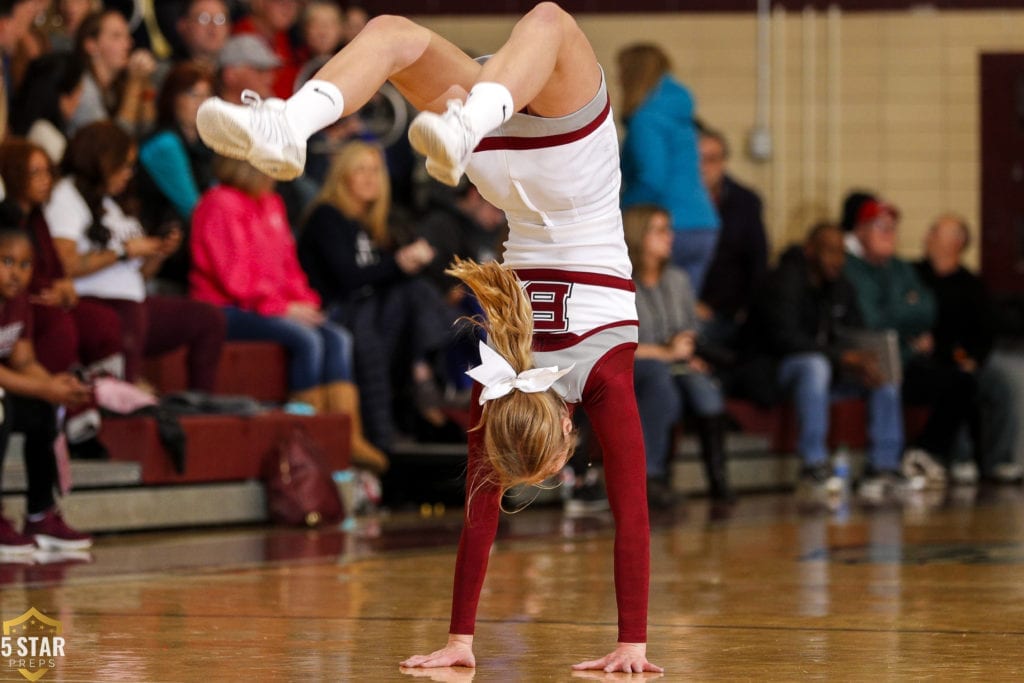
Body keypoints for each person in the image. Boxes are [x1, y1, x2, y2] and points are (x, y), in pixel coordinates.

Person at [196, 3, 660, 673]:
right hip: (494, 167)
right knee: (390, 34)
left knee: (549, 21)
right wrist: (459, 637)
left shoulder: (600, 378)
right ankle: (300, 120)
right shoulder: (499, 376)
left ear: (566, 434)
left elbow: (632, 515)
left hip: (550, 163)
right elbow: (478, 514)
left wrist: (632, 644)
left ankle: (292, 125)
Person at [190, 154, 388, 473]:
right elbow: (233, 277)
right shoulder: (218, 203)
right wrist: (282, 308)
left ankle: (347, 436)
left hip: (272, 305)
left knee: (337, 337)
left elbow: (288, 266)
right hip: (224, 307)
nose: (279, 174)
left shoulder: (272, 203)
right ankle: (307, 438)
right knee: (306, 340)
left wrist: (305, 302)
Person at [43, 120, 226, 393]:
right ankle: (123, 399)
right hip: (90, 302)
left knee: (208, 318)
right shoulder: (65, 196)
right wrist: (123, 251)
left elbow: (138, 276)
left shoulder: (111, 203)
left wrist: (157, 253)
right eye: (125, 165)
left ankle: (199, 403)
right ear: (103, 159)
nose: (129, 173)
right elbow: (64, 263)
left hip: (131, 300)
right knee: (126, 318)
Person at [743, 223, 910, 507]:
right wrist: (841, 357)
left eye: (841, 253)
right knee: (814, 365)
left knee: (881, 373)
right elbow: (784, 339)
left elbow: (856, 332)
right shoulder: (784, 280)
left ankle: (883, 467)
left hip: (828, 373)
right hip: (775, 371)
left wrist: (865, 358)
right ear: (810, 251)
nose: (837, 260)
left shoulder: (841, 286)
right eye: (829, 252)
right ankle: (813, 464)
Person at [842, 197, 958, 487]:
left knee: (960, 380)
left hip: (904, 354)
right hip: (862, 354)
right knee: (886, 373)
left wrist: (899, 316)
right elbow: (872, 321)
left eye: (893, 228)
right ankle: (883, 465)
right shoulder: (850, 267)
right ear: (861, 230)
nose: (889, 234)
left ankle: (923, 454)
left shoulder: (899, 267)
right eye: (881, 227)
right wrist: (906, 312)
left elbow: (928, 309)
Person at [624, 204, 733, 508]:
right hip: (637, 364)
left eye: (668, 229)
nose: (670, 237)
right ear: (638, 235)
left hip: (676, 362)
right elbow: (618, 344)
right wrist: (665, 352)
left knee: (705, 389)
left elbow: (689, 327)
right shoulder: (621, 281)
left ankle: (718, 481)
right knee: (663, 385)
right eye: (660, 230)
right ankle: (652, 476)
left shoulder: (678, 279)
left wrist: (686, 348)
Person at [0, 225, 95, 554]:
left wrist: (57, 387)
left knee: (42, 409)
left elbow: (23, 360)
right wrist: (45, 389)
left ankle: (40, 515)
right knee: (2, 406)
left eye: (25, 265)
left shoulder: (17, 301)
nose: (16, 274)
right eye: (7, 262)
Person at [915, 213, 1023, 485]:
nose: (927, 236)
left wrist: (975, 358)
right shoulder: (914, 275)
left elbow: (986, 330)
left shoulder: (971, 284)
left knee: (1005, 381)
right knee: (956, 380)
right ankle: (959, 458)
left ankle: (999, 460)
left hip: (966, 357)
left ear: (956, 243)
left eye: (935, 232)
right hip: (929, 360)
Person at [617, 43, 719, 292]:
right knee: (681, 313)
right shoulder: (679, 113)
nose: (617, 79)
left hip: (669, 227)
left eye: (620, 72)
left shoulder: (646, 118)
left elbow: (652, 178)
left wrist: (619, 212)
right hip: (703, 226)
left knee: (651, 313)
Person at [137, 60, 216, 293]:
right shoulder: (165, 144)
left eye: (207, 96)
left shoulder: (204, 143)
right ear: (173, 99)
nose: (201, 104)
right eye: (193, 95)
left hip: (188, 245)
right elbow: (193, 208)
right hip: (164, 249)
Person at [696, 125, 768, 348]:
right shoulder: (677, 203)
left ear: (724, 162)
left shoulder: (745, 201)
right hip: (688, 306)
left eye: (712, 159)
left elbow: (758, 258)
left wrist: (746, 308)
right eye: (698, 159)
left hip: (730, 310)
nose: (704, 167)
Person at [67, 8, 158, 137]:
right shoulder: (84, 89)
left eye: (127, 36)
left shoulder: (115, 86)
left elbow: (149, 125)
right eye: (116, 36)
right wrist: (135, 83)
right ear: (91, 45)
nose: (128, 44)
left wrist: (146, 82)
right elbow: (114, 142)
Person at [10, 52, 86, 164]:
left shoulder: (38, 128)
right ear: (63, 96)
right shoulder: (45, 135)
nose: (79, 100)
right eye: (78, 90)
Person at [173, 0, 230, 72]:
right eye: (204, 19)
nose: (213, 26)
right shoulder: (168, 73)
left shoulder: (233, 75)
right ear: (183, 25)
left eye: (220, 19)